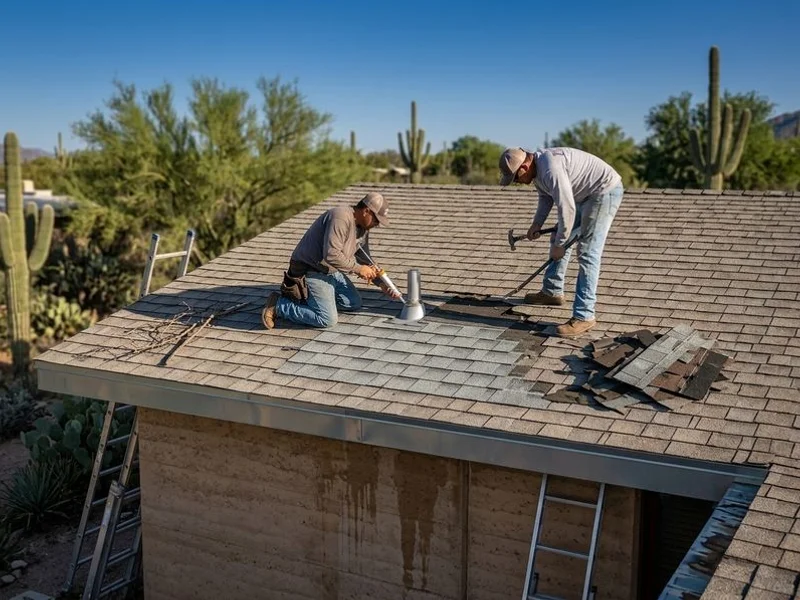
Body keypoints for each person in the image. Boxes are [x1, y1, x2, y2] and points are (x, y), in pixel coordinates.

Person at [498, 146, 624, 338]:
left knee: (587, 252)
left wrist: (560, 245)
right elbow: (545, 197)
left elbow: (567, 208)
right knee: (558, 234)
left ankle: (585, 316)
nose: (517, 182)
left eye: (515, 178)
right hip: (584, 195)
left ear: (524, 168)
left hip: (603, 191)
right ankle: (552, 291)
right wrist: (537, 224)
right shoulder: (538, 170)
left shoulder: (551, 169)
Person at [261, 192, 401, 329]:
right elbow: (331, 255)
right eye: (376, 220)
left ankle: (315, 301)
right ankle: (278, 305)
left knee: (353, 303)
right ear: (366, 211)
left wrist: (382, 283)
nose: (377, 224)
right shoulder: (341, 217)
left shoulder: (363, 228)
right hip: (310, 270)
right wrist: (358, 269)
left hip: (330, 270)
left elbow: (364, 258)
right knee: (326, 319)